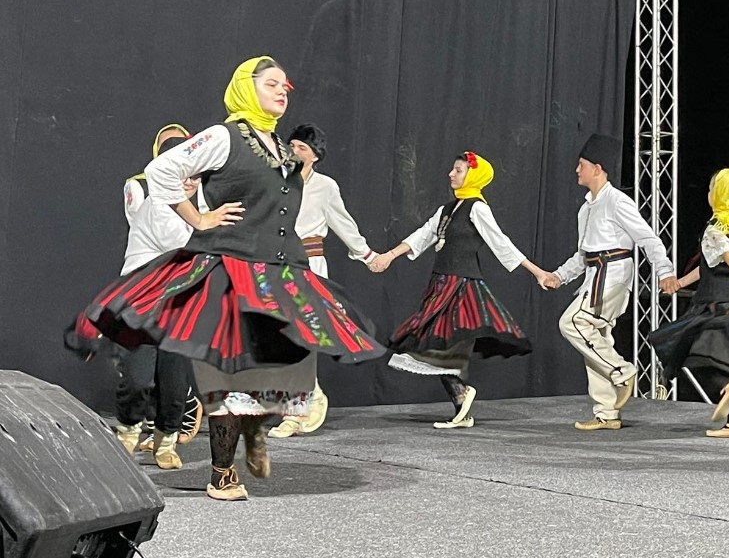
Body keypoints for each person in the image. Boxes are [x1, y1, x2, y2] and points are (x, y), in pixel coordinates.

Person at [69, 56, 385, 500]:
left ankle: (253, 433)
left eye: (285, 86)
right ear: (246, 87)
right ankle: (221, 473)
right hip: (230, 266)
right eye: (271, 83)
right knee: (230, 373)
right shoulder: (223, 136)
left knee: (278, 366)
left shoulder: (278, 145)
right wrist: (197, 217)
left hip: (281, 269)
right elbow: (163, 171)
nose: (282, 90)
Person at [370, 151, 549, 428]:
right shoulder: (448, 210)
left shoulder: (477, 208)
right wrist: (389, 255)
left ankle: (462, 393)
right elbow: (423, 235)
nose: (451, 174)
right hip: (441, 284)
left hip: (460, 285)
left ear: (473, 175)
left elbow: (501, 244)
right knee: (435, 342)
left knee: (435, 342)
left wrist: (537, 272)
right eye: (453, 169)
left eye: (458, 170)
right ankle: (461, 407)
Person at [541, 133, 678, 431]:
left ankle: (622, 370)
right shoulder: (586, 208)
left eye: (581, 164)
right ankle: (607, 412)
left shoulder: (617, 201)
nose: (577, 170)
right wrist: (560, 276)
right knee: (596, 339)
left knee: (573, 323)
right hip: (595, 275)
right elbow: (583, 255)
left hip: (613, 275)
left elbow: (647, 237)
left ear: (598, 168)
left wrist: (664, 271)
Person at [268, 123, 382, 438]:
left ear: (315, 155)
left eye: (301, 148)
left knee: (301, 336)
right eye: (290, 146)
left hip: (309, 265)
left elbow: (343, 223)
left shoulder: (325, 186)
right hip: (277, 266)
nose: (293, 152)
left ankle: (296, 410)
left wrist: (367, 255)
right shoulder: (275, 182)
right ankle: (310, 394)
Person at [650, 167, 729, 438]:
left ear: (717, 195)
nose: (708, 194)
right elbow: (712, 262)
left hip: (719, 303)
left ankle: (725, 388)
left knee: (689, 353)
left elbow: (727, 254)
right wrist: (681, 283)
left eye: (711, 189)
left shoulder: (715, 227)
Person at [113, 124, 205, 470]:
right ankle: (128, 433)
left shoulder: (201, 202)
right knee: (137, 377)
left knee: (174, 380)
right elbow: (180, 244)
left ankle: (166, 440)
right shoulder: (149, 197)